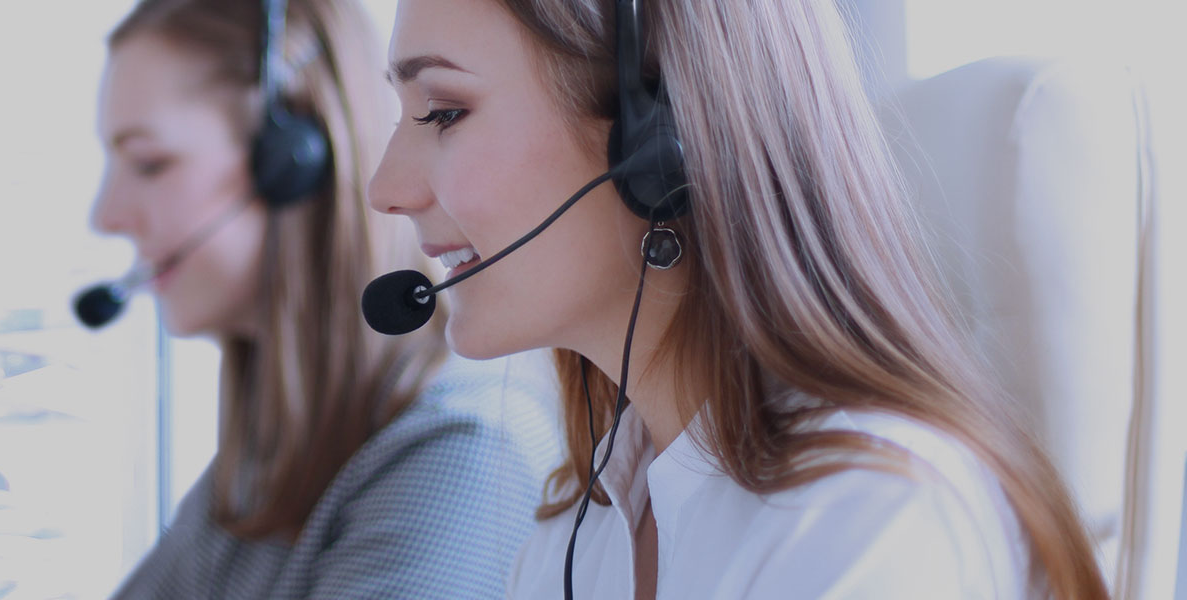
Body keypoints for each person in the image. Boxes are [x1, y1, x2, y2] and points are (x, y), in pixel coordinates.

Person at [366, 0, 1108, 597]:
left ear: (656, 139)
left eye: (444, 112)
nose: (385, 189)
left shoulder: (869, 522)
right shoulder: (580, 531)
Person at [89, 0, 558, 597]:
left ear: (291, 165)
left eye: (150, 163)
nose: (106, 215)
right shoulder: (269, 456)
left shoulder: (458, 456)